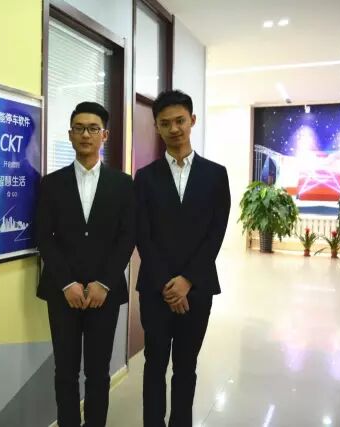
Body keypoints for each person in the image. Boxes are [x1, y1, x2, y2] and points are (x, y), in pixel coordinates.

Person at [133, 90, 231, 427]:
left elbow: (215, 233)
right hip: (155, 289)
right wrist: (167, 283)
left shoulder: (215, 175)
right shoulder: (145, 178)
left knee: (186, 366)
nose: (174, 129)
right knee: (154, 364)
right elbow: (143, 235)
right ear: (156, 127)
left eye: (180, 121)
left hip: (198, 288)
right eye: (165, 123)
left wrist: (187, 280)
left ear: (192, 121)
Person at [36, 102, 135, 427]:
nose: (85, 134)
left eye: (93, 128)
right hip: (62, 293)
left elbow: (126, 237)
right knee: (64, 371)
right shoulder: (51, 183)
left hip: (103, 294)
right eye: (79, 128)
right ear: (70, 134)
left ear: (104, 135)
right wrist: (67, 283)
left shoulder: (123, 184)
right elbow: (44, 237)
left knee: (97, 371)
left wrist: (104, 282)